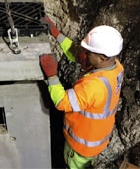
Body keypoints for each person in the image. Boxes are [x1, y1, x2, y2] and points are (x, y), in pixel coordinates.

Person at [40, 17, 124, 169]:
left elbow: (62, 102)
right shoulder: (115, 67)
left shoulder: (94, 87)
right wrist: (57, 35)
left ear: (102, 57)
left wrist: (52, 75)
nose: (84, 53)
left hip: (81, 146)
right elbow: (80, 55)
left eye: (89, 52)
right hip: (95, 137)